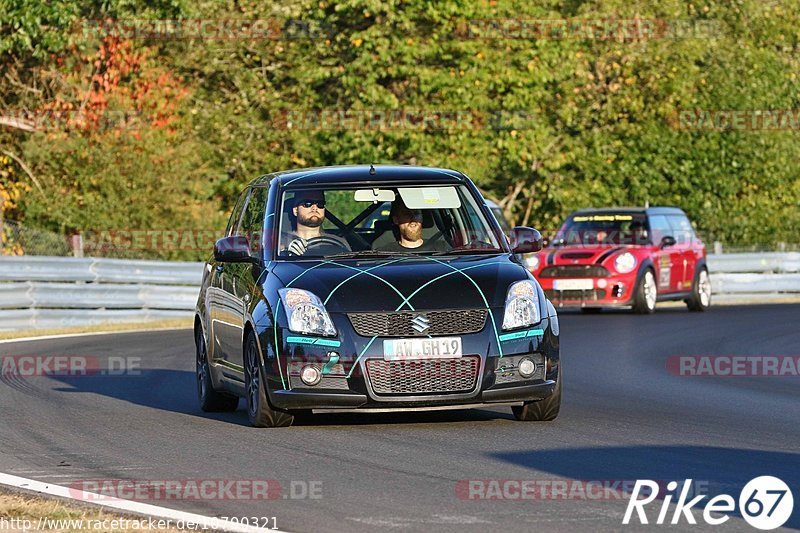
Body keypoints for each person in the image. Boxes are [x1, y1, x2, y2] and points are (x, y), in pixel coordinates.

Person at [281, 190, 351, 257]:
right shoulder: (280, 243)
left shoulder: (340, 242)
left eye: (320, 204)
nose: (315, 208)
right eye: (307, 204)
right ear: (295, 210)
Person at [375, 198, 447, 252]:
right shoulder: (385, 254)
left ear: (422, 218)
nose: (413, 219)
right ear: (396, 220)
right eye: (407, 214)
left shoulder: (442, 249)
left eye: (416, 213)